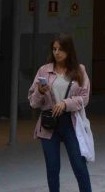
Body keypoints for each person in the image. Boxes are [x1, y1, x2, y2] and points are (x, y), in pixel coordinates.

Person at [29, 33, 92, 192]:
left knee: (79, 166)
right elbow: (33, 102)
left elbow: (84, 98)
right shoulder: (44, 71)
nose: (57, 52)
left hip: (70, 123)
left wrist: (65, 104)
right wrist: (40, 92)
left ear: (69, 51)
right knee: (52, 169)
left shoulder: (79, 70)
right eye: (54, 49)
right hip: (49, 124)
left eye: (61, 49)